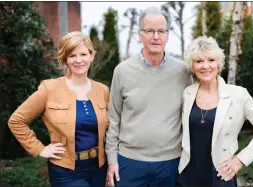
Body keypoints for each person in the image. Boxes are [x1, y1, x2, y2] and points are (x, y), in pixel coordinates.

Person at [8, 31, 109, 187]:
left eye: (83, 54)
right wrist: (39, 149)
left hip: (99, 169)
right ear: (65, 59)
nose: (78, 60)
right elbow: (16, 120)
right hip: (65, 171)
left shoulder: (102, 90)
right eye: (72, 55)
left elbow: (112, 130)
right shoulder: (50, 88)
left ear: (91, 56)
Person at [105, 7, 192, 187]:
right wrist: (112, 160)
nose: (156, 36)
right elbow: (113, 118)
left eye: (161, 31)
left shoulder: (183, 71)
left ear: (167, 35)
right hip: (129, 162)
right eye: (149, 31)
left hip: (171, 162)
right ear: (140, 35)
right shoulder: (122, 71)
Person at [177, 36, 253, 187]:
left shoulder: (238, 95)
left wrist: (239, 160)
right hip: (187, 175)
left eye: (211, 60)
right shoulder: (187, 93)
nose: (206, 66)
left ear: (219, 63)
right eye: (199, 61)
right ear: (192, 66)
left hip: (220, 175)